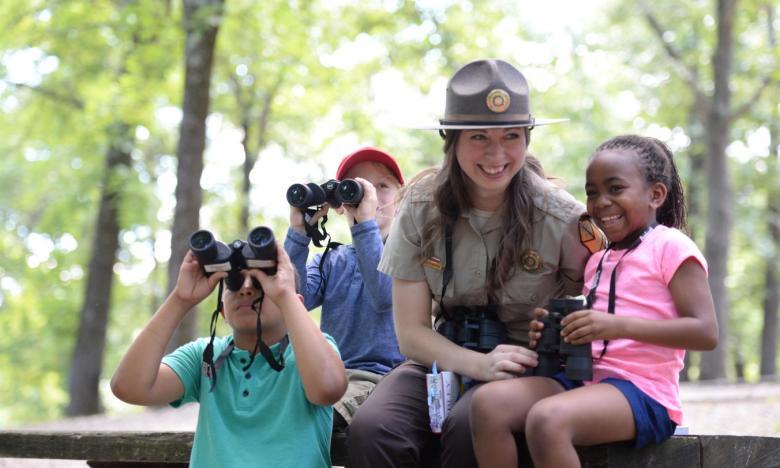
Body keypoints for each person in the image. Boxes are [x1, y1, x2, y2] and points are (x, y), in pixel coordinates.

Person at [347, 58, 593, 468]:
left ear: (527, 138)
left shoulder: (563, 219)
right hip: (442, 356)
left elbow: (606, 301)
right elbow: (410, 333)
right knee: (374, 428)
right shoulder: (421, 208)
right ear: (452, 140)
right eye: (479, 136)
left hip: (526, 365)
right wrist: (478, 364)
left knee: (468, 426)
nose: (496, 154)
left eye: (511, 136)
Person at [470, 135, 719, 468]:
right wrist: (554, 334)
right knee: (488, 404)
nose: (601, 202)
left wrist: (618, 326)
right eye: (592, 192)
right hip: (586, 381)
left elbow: (705, 332)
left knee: (548, 420)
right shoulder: (597, 259)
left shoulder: (672, 247)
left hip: (643, 393)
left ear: (655, 194)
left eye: (615, 189)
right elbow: (596, 337)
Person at [111, 237, 347, 467]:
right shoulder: (205, 356)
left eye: (259, 282)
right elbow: (129, 388)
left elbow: (328, 389)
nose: (245, 289)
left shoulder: (312, 351)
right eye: (234, 282)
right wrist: (180, 299)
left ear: (295, 304)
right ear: (223, 311)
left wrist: (285, 295)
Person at [284, 146, 406, 430]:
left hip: (382, 379)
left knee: (310, 419)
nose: (372, 196)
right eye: (358, 188)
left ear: (401, 198)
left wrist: (364, 225)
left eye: (382, 187)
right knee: (275, 409)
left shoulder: (410, 256)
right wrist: (299, 231)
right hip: (330, 374)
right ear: (339, 203)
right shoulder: (331, 259)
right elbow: (291, 301)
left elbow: (384, 295)